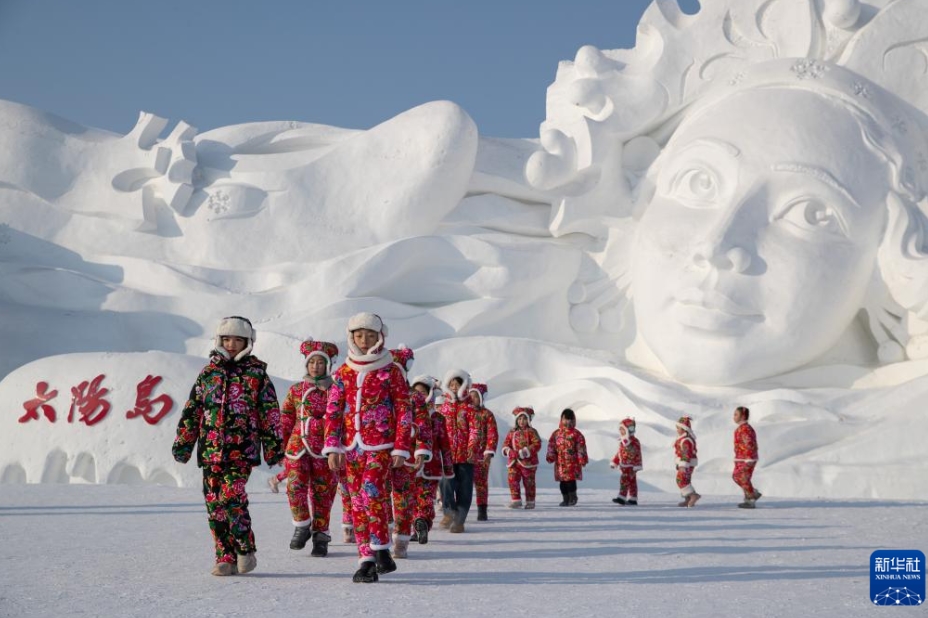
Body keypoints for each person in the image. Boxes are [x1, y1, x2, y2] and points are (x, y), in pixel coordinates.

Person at [171, 316, 283, 576]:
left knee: (231, 496)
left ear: (248, 342)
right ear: (219, 340)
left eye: (238, 340)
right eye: (227, 339)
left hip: (241, 450)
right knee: (214, 505)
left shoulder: (257, 374)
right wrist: (184, 444)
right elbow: (193, 411)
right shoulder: (208, 373)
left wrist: (274, 448)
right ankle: (224, 556)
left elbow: (269, 413)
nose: (232, 344)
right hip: (211, 450)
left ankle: (244, 548)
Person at [323, 312, 413, 584]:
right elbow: (333, 410)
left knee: (371, 490)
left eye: (370, 335)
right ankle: (366, 561)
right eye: (359, 335)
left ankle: (382, 548)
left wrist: (401, 447)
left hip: (381, 445)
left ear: (380, 337)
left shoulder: (391, 370)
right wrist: (332, 446)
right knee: (356, 502)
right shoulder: (344, 372)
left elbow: (404, 410)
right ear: (351, 337)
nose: (364, 340)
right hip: (351, 447)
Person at [279, 338, 340, 556]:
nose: (316, 366)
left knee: (322, 493)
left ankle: (320, 536)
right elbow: (286, 418)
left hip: (325, 450)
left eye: (320, 362)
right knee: (294, 486)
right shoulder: (296, 390)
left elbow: (341, 419)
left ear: (328, 365)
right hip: (298, 448)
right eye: (312, 362)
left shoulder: (335, 390)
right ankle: (302, 524)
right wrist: (280, 447)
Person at [388, 347, 431, 558]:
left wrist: (421, 449)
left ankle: (401, 539)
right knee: (377, 496)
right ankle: (382, 537)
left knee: (404, 498)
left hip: (407, 453)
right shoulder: (376, 393)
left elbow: (423, 424)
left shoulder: (414, 397)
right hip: (378, 453)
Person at [410, 375, 454, 544]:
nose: (419, 396)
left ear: (430, 394)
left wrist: (448, 468)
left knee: (426, 497)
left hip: (431, 466)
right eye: (416, 392)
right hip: (409, 465)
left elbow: (445, 444)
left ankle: (422, 521)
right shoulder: (406, 416)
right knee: (411, 498)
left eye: (422, 392)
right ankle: (418, 524)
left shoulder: (437, 418)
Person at [438, 368, 479, 532]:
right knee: (445, 484)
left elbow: (475, 429)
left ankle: (460, 520)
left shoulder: (469, 408)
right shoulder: (443, 409)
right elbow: (438, 430)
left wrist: (472, 446)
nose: (454, 387)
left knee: (465, 488)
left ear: (464, 386)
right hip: (447, 455)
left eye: (457, 384)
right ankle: (448, 511)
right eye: (452, 384)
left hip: (466, 455)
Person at [546, 408, 588, 506]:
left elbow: (581, 447)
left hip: (572, 464)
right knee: (562, 483)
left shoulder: (576, 434)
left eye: (570, 419)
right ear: (561, 419)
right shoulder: (556, 434)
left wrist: (582, 458)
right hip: (560, 463)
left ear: (574, 420)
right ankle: (565, 499)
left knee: (570, 482)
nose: (568, 421)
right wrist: (551, 456)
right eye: (566, 419)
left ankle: (572, 497)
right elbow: (551, 445)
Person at [502, 406, 542, 509]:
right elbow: (505, 444)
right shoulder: (512, 432)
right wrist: (508, 451)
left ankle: (530, 501)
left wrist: (524, 452)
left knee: (529, 482)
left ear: (528, 420)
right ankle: (516, 500)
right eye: (519, 419)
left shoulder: (532, 431)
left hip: (528, 463)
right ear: (516, 420)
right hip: (513, 461)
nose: (522, 421)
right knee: (512, 479)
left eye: (524, 419)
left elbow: (537, 444)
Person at [469, 383, 498, 521]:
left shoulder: (487, 414)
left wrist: (489, 451)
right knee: (463, 483)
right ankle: (460, 509)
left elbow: (492, 434)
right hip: (464, 456)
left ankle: (482, 509)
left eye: (475, 396)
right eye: (470, 396)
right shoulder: (464, 413)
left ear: (481, 398)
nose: (472, 399)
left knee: (481, 483)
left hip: (481, 456)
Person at [732, 406, 761, 509]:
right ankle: (751, 495)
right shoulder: (741, 428)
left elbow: (749, 443)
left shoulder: (746, 429)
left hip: (747, 458)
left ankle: (751, 498)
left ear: (743, 416)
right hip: (740, 458)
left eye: (736, 414)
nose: (734, 417)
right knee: (740, 477)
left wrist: (749, 457)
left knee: (741, 477)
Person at [610, 417, 642, 505]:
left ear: (627, 430)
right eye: (620, 429)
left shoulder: (634, 442)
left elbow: (637, 454)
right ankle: (633, 498)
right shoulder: (623, 442)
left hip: (630, 466)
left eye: (622, 429)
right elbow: (620, 454)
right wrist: (615, 462)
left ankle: (621, 497)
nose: (620, 431)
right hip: (625, 466)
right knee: (632, 482)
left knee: (624, 481)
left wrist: (637, 465)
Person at [674, 416, 700, 507]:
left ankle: (693, 496)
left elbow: (686, 453)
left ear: (684, 428)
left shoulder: (686, 440)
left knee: (681, 480)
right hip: (685, 463)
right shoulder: (682, 439)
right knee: (685, 480)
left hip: (686, 464)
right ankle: (688, 499)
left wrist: (683, 465)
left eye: (678, 428)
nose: (677, 430)